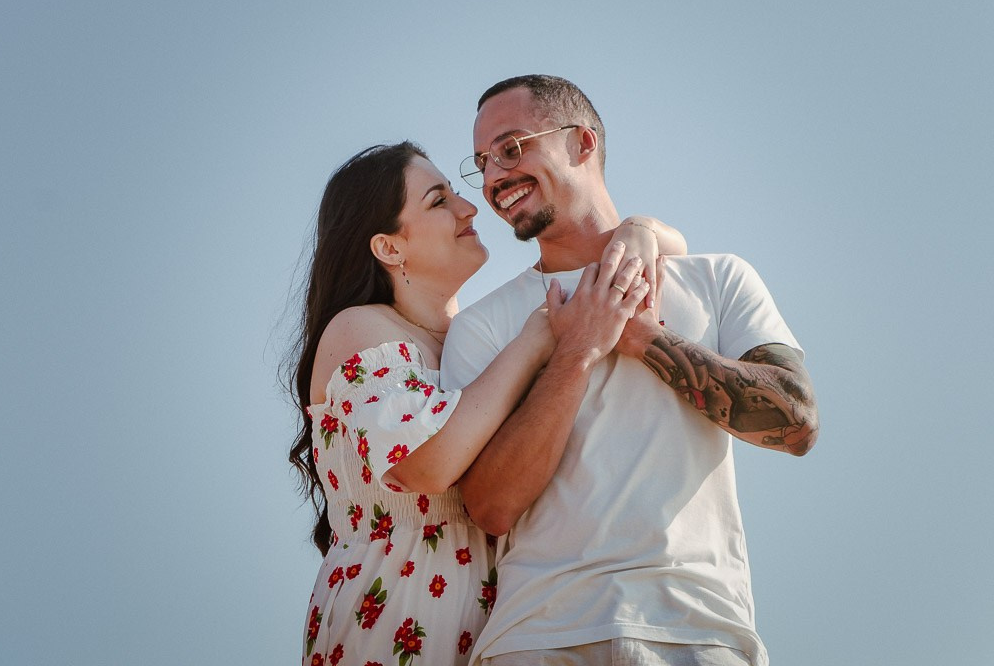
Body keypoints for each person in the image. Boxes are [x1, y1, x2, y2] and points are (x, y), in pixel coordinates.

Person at [440, 75, 819, 666]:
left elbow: (795, 422)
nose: (492, 178)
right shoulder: (483, 327)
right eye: (482, 162)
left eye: (512, 149)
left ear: (582, 143)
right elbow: (490, 507)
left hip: (698, 631)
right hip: (538, 637)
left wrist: (642, 337)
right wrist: (577, 353)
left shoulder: (718, 278)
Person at [285, 141, 687, 666]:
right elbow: (429, 462)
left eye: (455, 192)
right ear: (389, 249)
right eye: (437, 201)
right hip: (396, 622)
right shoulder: (361, 329)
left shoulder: (471, 343)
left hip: (503, 628)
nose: (468, 207)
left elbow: (676, 249)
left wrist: (639, 229)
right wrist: (537, 338)